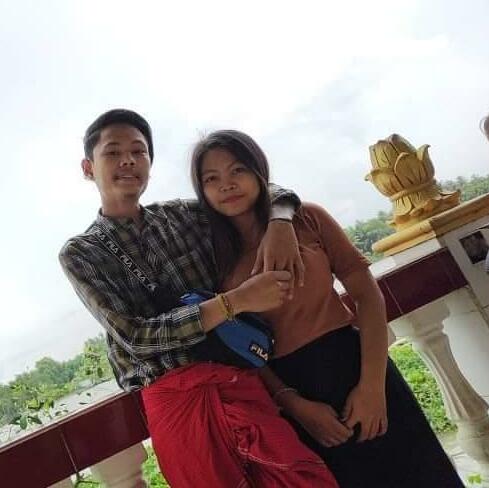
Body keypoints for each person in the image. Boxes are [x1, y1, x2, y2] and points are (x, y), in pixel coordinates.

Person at [59, 109, 338, 487]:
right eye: (113, 152)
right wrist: (234, 302)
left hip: (239, 380)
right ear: (88, 168)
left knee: (303, 478)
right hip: (176, 403)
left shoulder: (184, 216)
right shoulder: (82, 253)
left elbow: (262, 192)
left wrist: (280, 221)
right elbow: (136, 338)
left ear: (150, 163)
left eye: (139, 152)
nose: (128, 160)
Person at [190, 129, 465, 487]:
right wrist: (292, 404)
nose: (226, 185)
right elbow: (239, 347)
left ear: (258, 170)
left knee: (425, 474)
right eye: (211, 179)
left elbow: (367, 295)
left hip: (357, 362)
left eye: (237, 170)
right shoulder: (212, 259)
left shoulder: (308, 219)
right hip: (295, 389)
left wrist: (372, 387)